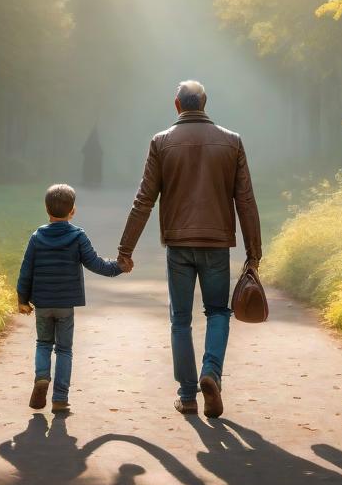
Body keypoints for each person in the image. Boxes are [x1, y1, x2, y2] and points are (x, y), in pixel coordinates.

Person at [117, 80, 261, 418]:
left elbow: (144, 201)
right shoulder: (232, 142)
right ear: (205, 103)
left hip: (179, 246)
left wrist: (126, 249)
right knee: (217, 312)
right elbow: (246, 201)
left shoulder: (161, 143)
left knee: (180, 320)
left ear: (177, 105)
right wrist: (253, 253)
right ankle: (211, 372)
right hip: (216, 245)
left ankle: (187, 395)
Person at [17, 183, 126, 413]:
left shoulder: (37, 237)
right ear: (72, 211)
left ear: (47, 210)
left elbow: (26, 269)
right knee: (64, 350)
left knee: (43, 344)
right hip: (65, 304)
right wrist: (118, 267)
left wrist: (22, 299)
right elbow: (95, 263)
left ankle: (41, 378)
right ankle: (59, 398)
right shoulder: (77, 236)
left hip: (43, 304)